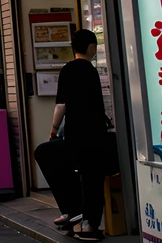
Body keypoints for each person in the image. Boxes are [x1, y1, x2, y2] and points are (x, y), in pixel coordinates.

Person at [49, 29, 108, 241]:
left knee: (76, 175)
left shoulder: (67, 70)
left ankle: (75, 217)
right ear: (91, 48)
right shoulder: (91, 71)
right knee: (93, 180)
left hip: (74, 134)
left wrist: (54, 129)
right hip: (94, 134)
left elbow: (61, 105)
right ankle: (89, 225)